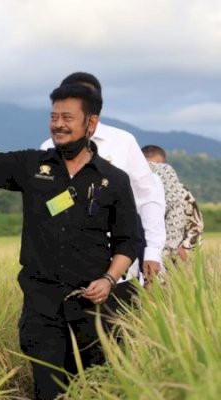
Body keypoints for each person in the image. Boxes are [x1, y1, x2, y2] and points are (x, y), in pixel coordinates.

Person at [0, 84, 140, 400]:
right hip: (41, 307)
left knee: (93, 390)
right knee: (47, 390)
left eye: (67, 117)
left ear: (91, 123)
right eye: (53, 116)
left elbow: (129, 240)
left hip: (93, 310)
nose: (58, 124)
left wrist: (108, 278)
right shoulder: (34, 166)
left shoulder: (112, 179)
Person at [40, 73, 166, 286]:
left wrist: (153, 250)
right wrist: (76, 198)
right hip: (64, 262)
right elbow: (47, 207)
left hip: (120, 260)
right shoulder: (48, 148)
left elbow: (148, 197)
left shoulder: (123, 142)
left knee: (118, 315)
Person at [142, 145, 204, 262]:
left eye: (160, 165)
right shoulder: (134, 188)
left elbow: (196, 226)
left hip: (172, 255)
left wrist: (185, 248)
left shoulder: (181, 192)